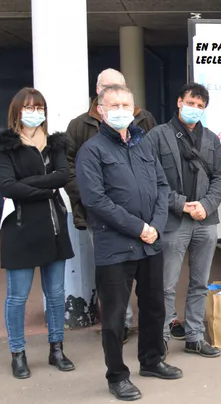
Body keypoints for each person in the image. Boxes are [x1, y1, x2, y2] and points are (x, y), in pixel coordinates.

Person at [76, 85, 180, 401]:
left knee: (153, 306)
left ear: (134, 108)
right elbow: (95, 200)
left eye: (126, 104)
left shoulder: (143, 144)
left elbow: (163, 187)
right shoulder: (91, 151)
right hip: (116, 246)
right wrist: (139, 227)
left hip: (150, 243)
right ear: (101, 110)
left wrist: (156, 227)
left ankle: (151, 360)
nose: (121, 109)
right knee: (115, 315)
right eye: (114, 105)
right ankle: (117, 375)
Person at [66, 68, 157, 341]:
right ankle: (121, 327)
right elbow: (69, 167)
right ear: (98, 92)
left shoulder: (144, 119)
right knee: (114, 280)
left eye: (121, 92)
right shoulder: (80, 126)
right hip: (104, 217)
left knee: (147, 278)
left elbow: (155, 166)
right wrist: (88, 195)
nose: (117, 102)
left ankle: (150, 335)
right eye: (108, 91)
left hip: (144, 218)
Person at [0, 88, 75, 379]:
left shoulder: (55, 144)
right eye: (29, 107)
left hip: (54, 228)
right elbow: (6, 186)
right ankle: (18, 353)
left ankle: (56, 350)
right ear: (17, 111)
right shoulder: (6, 147)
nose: (35, 112)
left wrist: (29, 184)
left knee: (55, 295)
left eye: (39, 107)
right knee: (17, 297)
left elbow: (63, 177)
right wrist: (46, 187)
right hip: (20, 229)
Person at [145, 83, 221, 357]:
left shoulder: (212, 139)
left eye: (200, 106)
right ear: (179, 102)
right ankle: (162, 337)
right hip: (172, 220)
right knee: (166, 284)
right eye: (191, 103)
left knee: (200, 282)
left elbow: (219, 176)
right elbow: (153, 181)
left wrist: (206, 205)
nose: (195, 109)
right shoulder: (157, 136)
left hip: (206, 219)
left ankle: (194, 336)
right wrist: (181, 204)